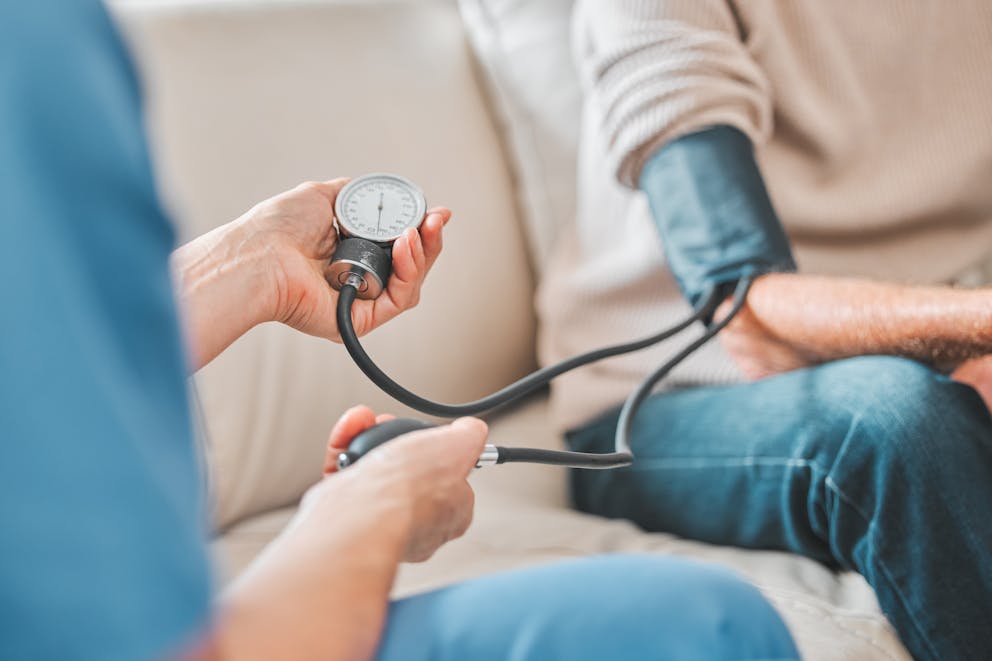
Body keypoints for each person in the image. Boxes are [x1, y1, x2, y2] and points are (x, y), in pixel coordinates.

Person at [0, 2, 801, 660]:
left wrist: (249, 260)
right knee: (706, 628)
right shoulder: (37, 53)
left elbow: (41, 383)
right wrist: (377, 504)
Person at [539, 2, 992, 660]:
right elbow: (745, 312)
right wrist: (976, 325)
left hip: (935, 336)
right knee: (893, 419)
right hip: (669, 394)